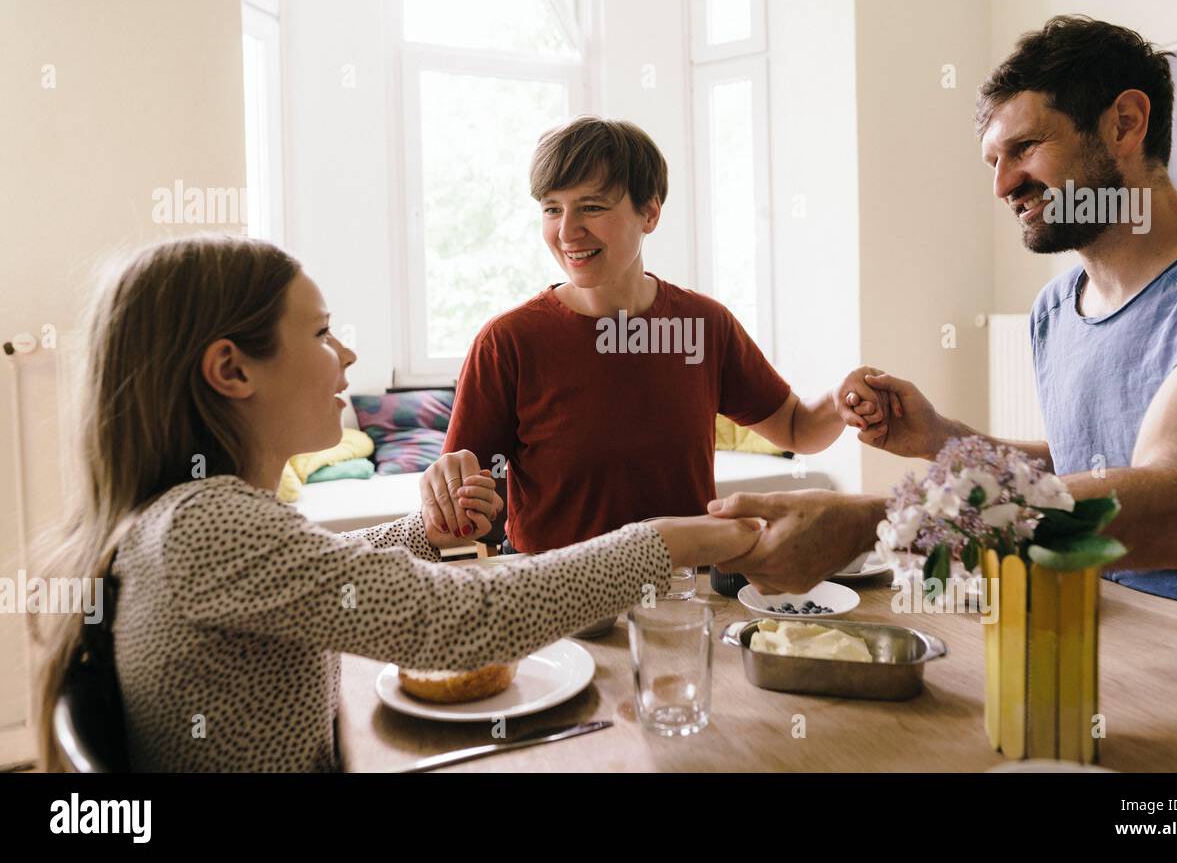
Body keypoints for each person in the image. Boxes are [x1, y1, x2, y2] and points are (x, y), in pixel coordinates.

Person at [32, 234, 760, 772]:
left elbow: (325, 569)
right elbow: (471, 620)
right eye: (320, 333)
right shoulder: (209, 525)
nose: (346, 355)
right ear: (231, 369)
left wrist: (426, 531)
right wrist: (679, 539)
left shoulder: (192, 516)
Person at [711, 17, 1177, 637]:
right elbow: (1084, 479)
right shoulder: (1055, 309)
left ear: (1125, 122)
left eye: (1024, 149)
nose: (1002, 186)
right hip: (1097, 638)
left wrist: (880, 521)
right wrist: (945, 441)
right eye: (993, 161)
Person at [421, 116, 886, 554]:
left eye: (592, 207)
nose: (567, 231)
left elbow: (794, 428)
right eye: (551, 209)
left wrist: (840, 399)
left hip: (683, 592)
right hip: (555, 606)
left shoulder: (703, 325)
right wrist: (453, 504)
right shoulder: (507, 342)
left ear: (650, 213)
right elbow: (467, 513)